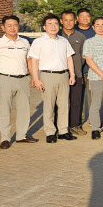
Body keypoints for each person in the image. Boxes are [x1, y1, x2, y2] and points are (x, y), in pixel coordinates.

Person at [28, 14, 77, 143]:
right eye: (49, 24)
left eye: (55, 24)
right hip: (47, 76)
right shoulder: (38, 42)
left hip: (64, 75)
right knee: (49, 105)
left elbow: (69, 58)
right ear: (44, 27)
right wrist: (36, 79)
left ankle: (63, 131)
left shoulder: (63, 41)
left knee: (63, 105)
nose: (53, 26)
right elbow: (34, 62)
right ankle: (50, 132)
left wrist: (72, 74)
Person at [0, 15, 36, 149]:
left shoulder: (25, 43)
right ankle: (5, 138)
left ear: (18, 26)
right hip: (5, 79)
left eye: (15, 25)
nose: (12, 28)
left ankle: (21, 135)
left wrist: (33, 77)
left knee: (24, 108)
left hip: (23, 79)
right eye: (9, 25)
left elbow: (29, 61)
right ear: (3, 27)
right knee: (5, 109)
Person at [59, 10, 87, 136]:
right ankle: (59, 127)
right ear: (61, 21)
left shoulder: (81, 37)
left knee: (76, 101)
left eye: (71, 20)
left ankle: (75, 125)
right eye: (66, 20)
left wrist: (78, 72)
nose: (69, 23)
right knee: (60, 103)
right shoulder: (57, 35)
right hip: (60, 74)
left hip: (77, 74)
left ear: (75, 21)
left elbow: (83, 56)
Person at [75, 8, 94, 127]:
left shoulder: (95, 31)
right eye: (82, 16)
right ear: (77, 18)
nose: (85, 18)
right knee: (78, 99)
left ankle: (94, 120)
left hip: (92, 71)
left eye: (87, 16)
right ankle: (78, 121)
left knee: (93, 98)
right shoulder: (73, 31)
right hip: (77, 71)